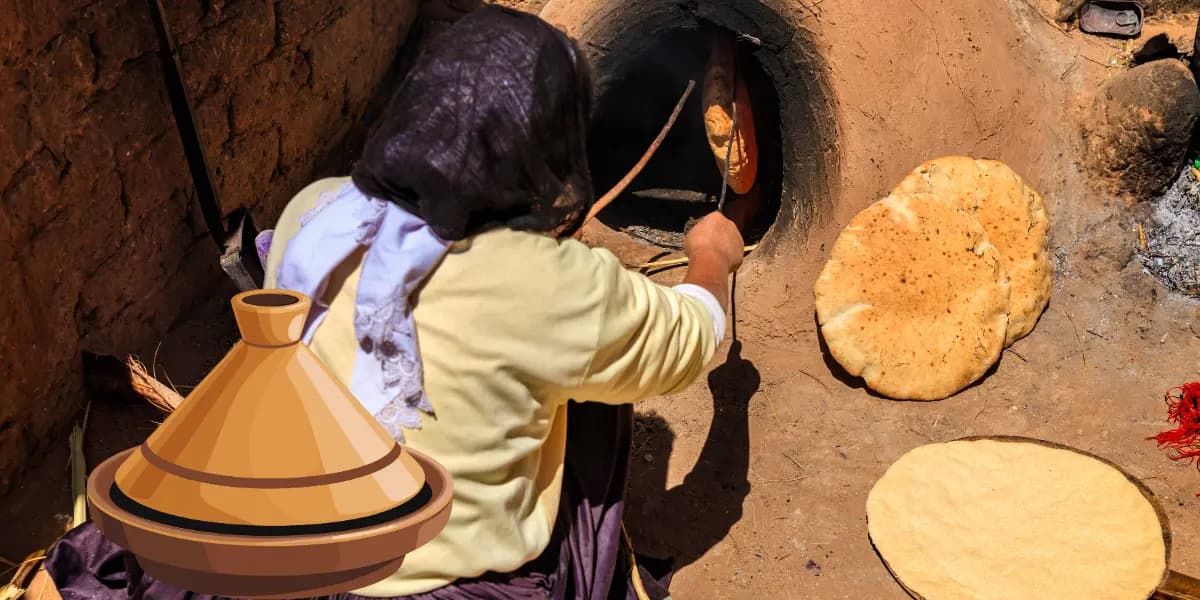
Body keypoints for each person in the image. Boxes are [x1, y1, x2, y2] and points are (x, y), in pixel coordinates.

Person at [37, 5, 744, 599]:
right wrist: (713, 258)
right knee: (596, 390)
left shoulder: (317, 214)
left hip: (274, 557)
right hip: (436, 585)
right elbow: (691, 337)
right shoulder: (558, 288)